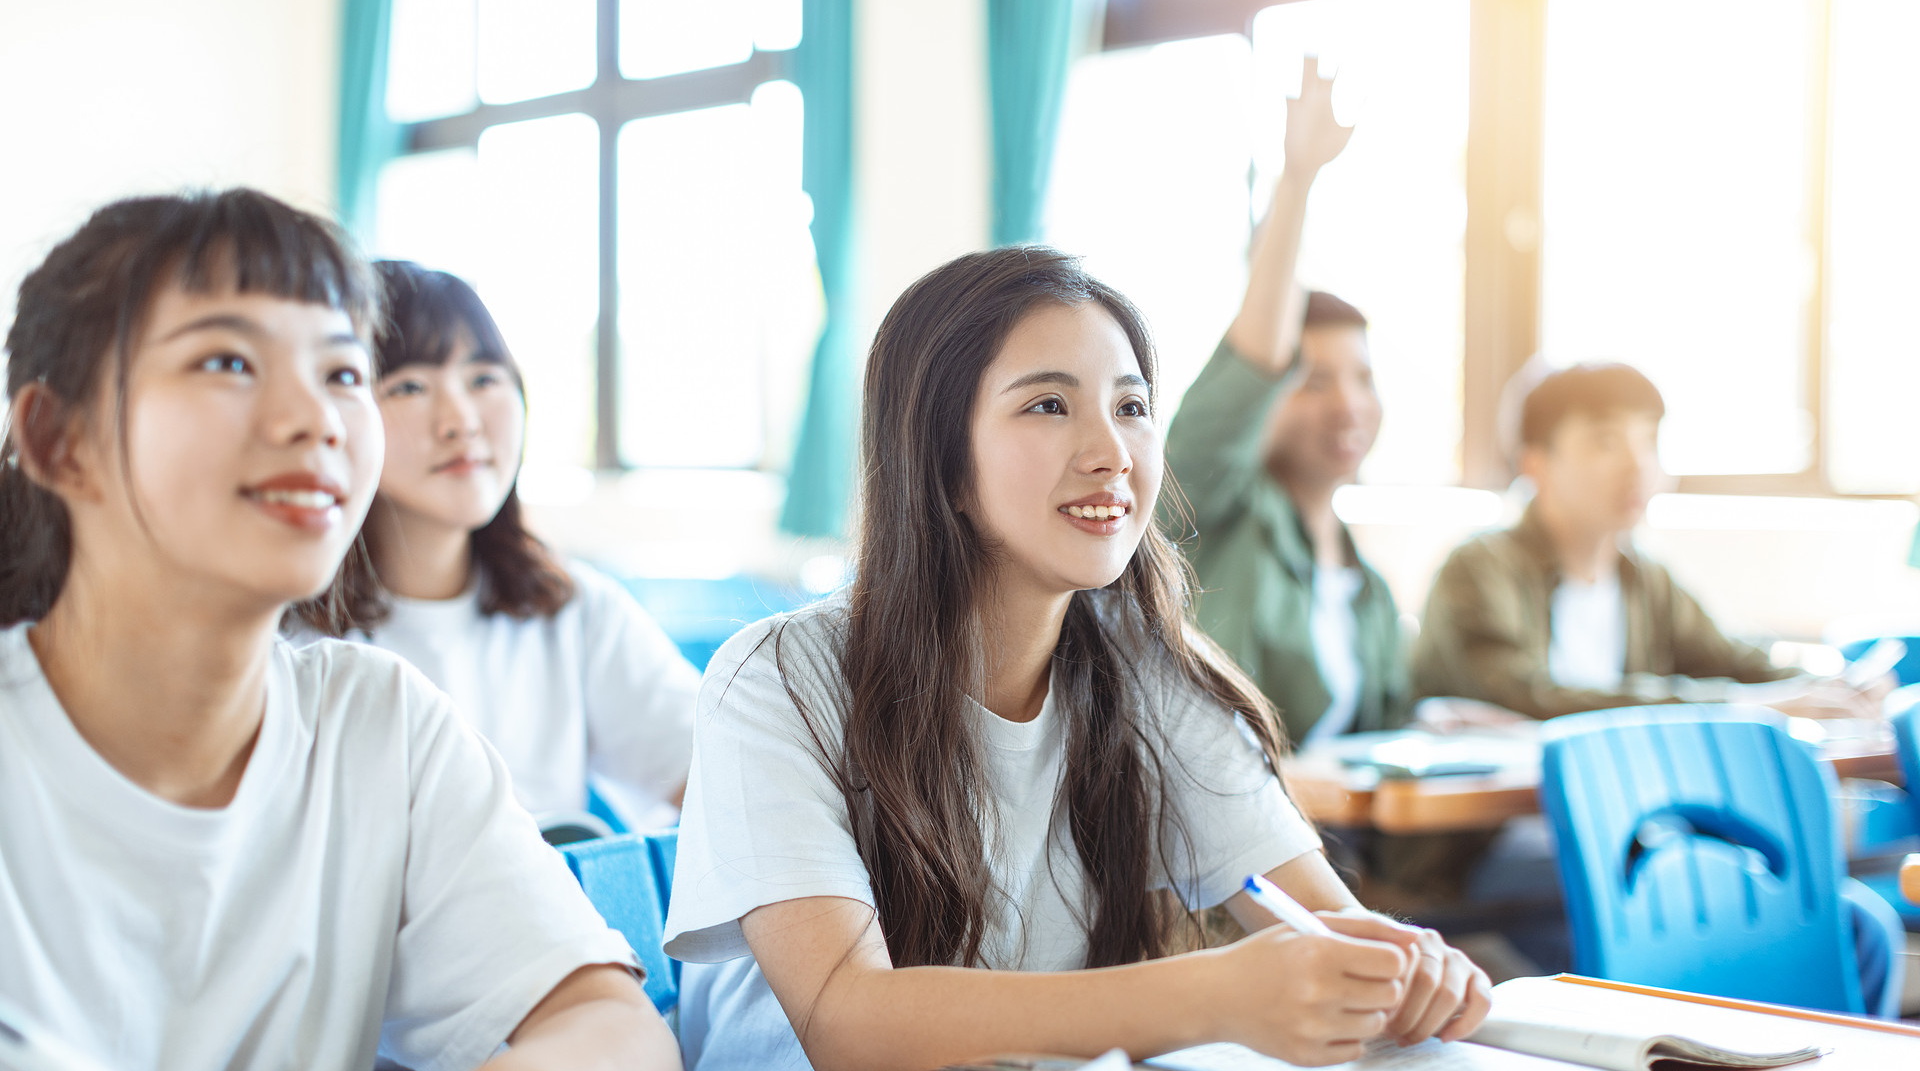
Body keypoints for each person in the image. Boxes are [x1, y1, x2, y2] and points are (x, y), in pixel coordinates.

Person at [661, 247, 1491, 1071]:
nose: (1113, 452)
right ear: (942, 460)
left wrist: (1406, 971)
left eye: (1131, 407)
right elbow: (848, 1025)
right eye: (1049, 405)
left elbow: (1321, 922)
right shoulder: (775, 679)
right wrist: (1215, 994)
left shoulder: (1146, 668)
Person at [0, 189, 680, 1070]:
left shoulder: (380, 722)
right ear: (60, 442)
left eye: (343, 374)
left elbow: (611, 1029)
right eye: (227, 362)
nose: (314, 419)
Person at [296, 260, 698, 831]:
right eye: (409, 386)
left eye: (484, 379)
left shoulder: (572, 610)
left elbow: (720, 776)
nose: (460, 421)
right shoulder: (290, 636)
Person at [1165, 57, 1410, 745]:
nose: (1350, 406)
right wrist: (1298, 178)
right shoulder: (1210, 507)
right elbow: (1255, 358)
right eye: (1314, 381)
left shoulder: (1370, 589)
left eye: (1363, 378)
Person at [1412, 362, 1880, 719]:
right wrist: (1742, 705)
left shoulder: (1644, 577)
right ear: (1535, 463)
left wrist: (1836, 684)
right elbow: (1523, 695)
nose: (1638, 465)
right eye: (1606, 442)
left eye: (1650, 441)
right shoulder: (1477, 568)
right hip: (1499, 818)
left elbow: (1731, 658)